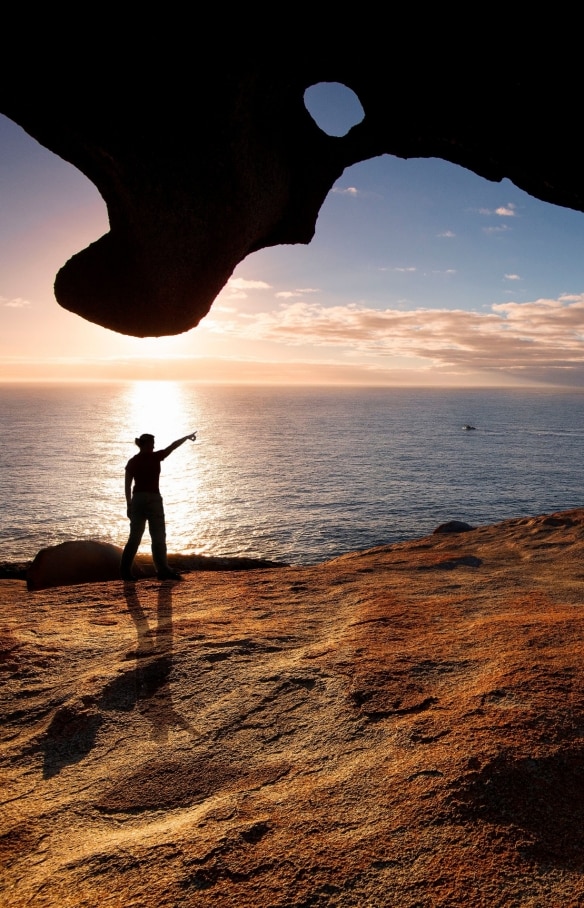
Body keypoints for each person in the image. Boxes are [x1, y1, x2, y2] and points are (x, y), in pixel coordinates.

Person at [120, 431, 196, 581]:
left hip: (138, 500)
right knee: (158, 537)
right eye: (152, 443)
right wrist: (186, 438)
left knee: (135, 538)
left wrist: (129, 504)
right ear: (145, 444)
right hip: (153, 500)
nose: (154, 446)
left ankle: (125, 571)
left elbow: (127, 486)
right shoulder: (155, 457)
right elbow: (172, 446)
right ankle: (162, 570)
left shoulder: (133, 461)